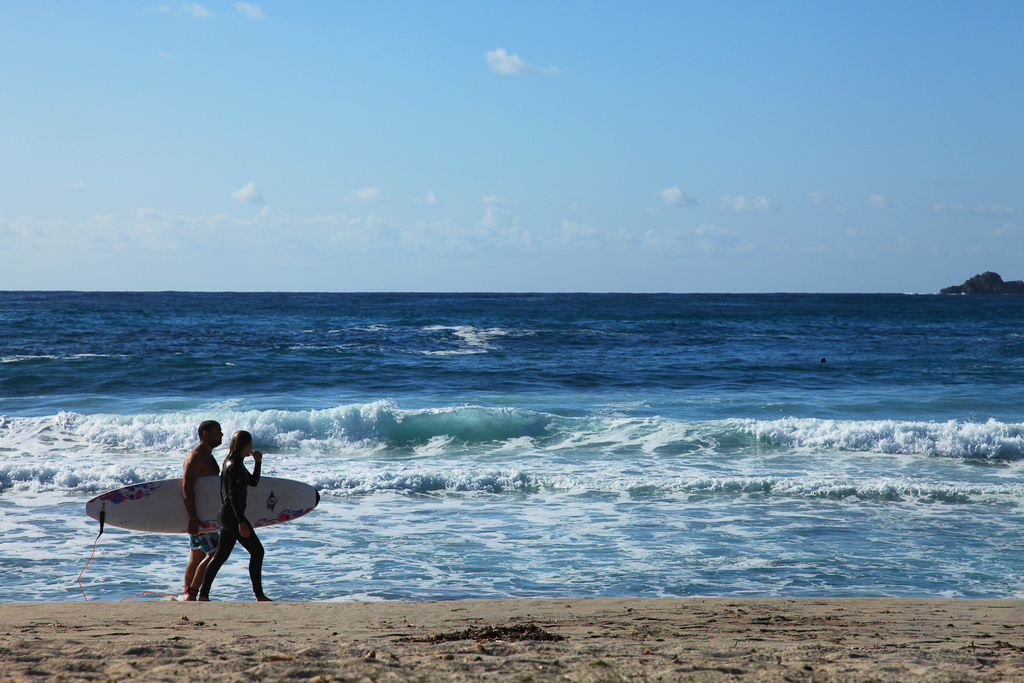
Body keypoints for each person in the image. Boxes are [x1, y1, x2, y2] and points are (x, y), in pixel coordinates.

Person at [198, 430, 272, 601]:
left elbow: (253, 482)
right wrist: (241, 521)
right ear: (246, 446)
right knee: (258, 551)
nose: (251, 448)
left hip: (229, 515)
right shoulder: (234, 465)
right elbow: (232, 495)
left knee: (220, 556)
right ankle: (259, 596)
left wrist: (258, 463)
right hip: (231, 515)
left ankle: (203, 595)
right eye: (250, 445)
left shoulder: (236, 463)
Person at [182, 420, 223, 601]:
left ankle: (187, 594)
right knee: (215, 554)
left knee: (196, 556)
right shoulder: (197, 456)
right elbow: (187, 486)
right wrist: (193, 517)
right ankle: (193, 595)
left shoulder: (206, 455)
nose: (221, 434)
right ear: (205, 434)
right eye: (217, 432)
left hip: (204, 515)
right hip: (201, 516)